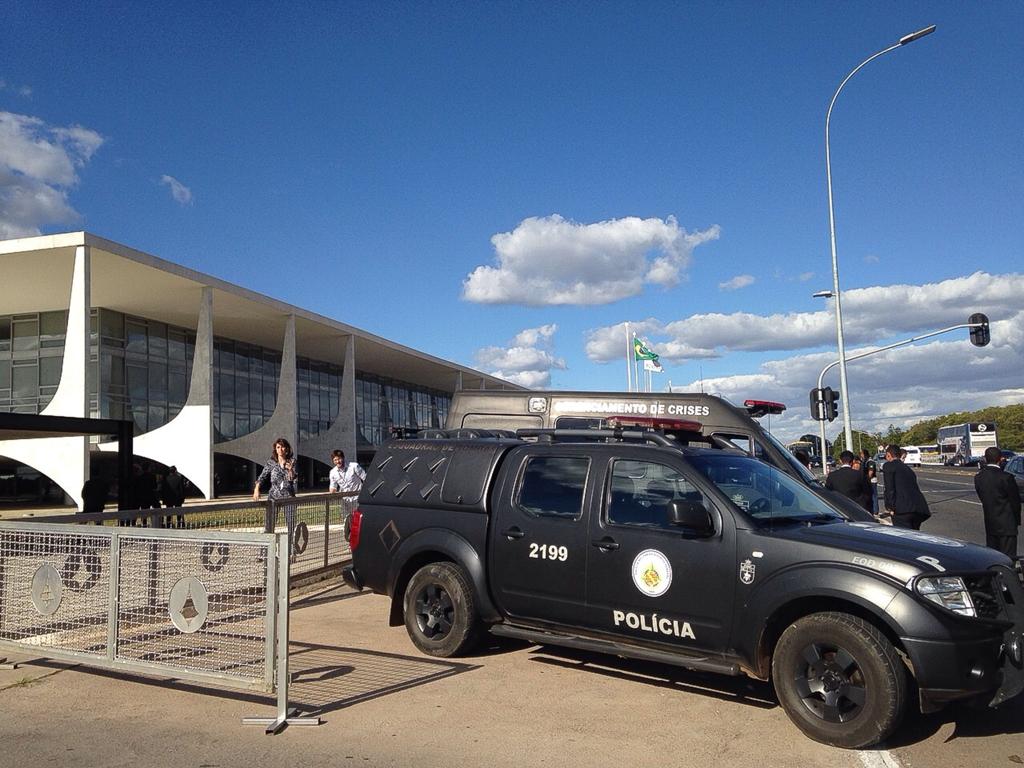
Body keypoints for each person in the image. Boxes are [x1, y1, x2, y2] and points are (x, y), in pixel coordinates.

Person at [974, 446, 1021, 559]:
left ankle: (994, 576)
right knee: (1008, 558)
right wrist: (1017, 520)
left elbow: (982, 497)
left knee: (992, 556)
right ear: (1001, 459)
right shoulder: (1006, 477)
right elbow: (1015, 502)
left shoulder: (979, 477)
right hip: (1007, 523)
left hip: (990, 521)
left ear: (985, 459)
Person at [881, 443, 931, 530]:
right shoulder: (908, 469)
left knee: (904, 537)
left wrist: (890, 507)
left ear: (888, 455)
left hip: (902, 510)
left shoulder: (889, 466)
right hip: (918, 509)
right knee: (914, 536)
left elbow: (890, 488)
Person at [860, 448, 878, 515]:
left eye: (861, 454)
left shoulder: (870, 462)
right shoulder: (865, 461)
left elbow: (871, 472)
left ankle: (875, 511)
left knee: (874, 496)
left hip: (872, 481)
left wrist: (866, 480)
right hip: (868, 481)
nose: (861, 455)